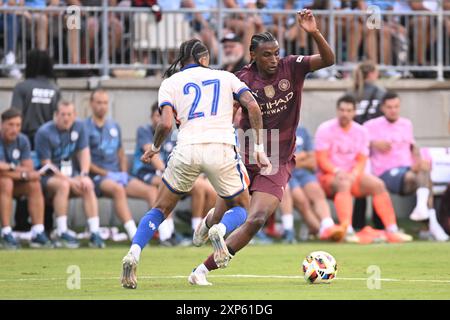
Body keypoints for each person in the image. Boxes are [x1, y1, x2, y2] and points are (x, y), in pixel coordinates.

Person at [189, 9, 336, 285]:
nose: (273, 59)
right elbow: (228, 111)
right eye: (267, 54)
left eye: (276, 53)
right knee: (226, 209)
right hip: (245, 152)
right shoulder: (241, 78)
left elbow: (329, 60)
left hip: (278, 160)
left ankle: (202, 270)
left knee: (255, 218)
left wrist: (314, 32)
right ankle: (210, 224)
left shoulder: (292, 67)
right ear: (253, 55)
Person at [120, 38, 269, 289]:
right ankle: (219, 230)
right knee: (243, 208)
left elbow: (166, 124)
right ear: (203, 59)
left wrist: (154, 148)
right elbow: (252, 106)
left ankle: (134, 252)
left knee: (160, 208)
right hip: (220, 148)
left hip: (187, 149)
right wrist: (259, 148)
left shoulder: (169, 83)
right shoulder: (226, 76)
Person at [314, 94, 412, 244]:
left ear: (354, 112)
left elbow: (362, 159)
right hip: (330, 177)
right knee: (344, 182)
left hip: (353, 176)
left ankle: (392, 229)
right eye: (342, 110)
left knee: (378, 184)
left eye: (348, 110)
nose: (345, 114)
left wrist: (355, 173)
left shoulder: (361, 131)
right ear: (337, 110)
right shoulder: (325, 129)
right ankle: (348, 230)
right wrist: (337, 171)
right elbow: (321, 159)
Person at [364, 91, 449, 241]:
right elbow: (358, 145)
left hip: (409, 171)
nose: (393, 110)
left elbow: (413, 147)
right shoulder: (371, 126)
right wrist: (373, 143)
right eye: (389, 107)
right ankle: (431, 221)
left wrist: (419, 160)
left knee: (423, 169)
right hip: (385, 173)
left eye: (396, 106)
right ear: (383, 108)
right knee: (421, 176)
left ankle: (425, 212)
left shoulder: (406, 124)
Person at [132, 103, 216, 245]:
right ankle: (167, 234)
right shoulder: (144, 130)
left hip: (171, 173)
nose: (161, 119)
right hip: (147, 172)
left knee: (202, 187)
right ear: (151, 117)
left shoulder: (175, 134)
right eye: (157, 116)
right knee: (163, 185)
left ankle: (196, 230)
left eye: (163, 116)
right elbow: (153, 157)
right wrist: (171, 175)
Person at [86, 89, 159, 241]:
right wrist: (106, 174)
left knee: (151, 191)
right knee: (118, 189)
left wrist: (123, 172)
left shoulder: (114, 126)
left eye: (105, 103)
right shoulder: (84, 127)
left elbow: (120, 152)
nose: (102, 106)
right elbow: (83, 159)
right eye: (99, 102)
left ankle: (164, 234)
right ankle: (134, 234)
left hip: (118, 175)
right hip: (98, 177)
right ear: (91, 104)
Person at [34, 100, 105, 248]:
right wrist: (71, 180)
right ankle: (62, 230)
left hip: (70, 175)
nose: (66, 118)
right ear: (56, 115)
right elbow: (47, 165)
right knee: (64, 185)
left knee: (88, 185)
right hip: (47, 177)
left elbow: (84, 152)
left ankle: (94, 232)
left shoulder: (79, 127)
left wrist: (84, 175)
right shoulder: (44, 132)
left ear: (75, 115)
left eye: (69, 114)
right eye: (62, 114)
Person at [10, 49, 61, 233]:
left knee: (27, 179)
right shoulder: (54, 89)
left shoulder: (22, 87)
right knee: (46, 180)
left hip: (26, 140)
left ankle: (22, 224)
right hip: (49, 141)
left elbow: (15, 114)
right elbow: (58, 118)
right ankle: (46, 224)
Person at [279, 126, 344, 243]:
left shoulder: (302, 131)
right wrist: (302, 156)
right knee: (301, 200)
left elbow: (313, 162)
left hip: (303, 173)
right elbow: (280, 162)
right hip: (285, 174)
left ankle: (328, 225)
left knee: (316, 191)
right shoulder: (276, 129)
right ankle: (319, 231)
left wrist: (293, 160)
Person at [0, 109, 51, 249]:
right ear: (2, 124)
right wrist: (20, 172)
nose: (14, 129)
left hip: (13, 183)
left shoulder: (22, 140)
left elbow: (29, 169)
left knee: (34, 183)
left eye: (18, 125)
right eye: (11, 124)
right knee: (5, 182)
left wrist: (9, 168)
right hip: (4, 184)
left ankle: (38, 231)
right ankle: (5, 231)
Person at [348, 60, 386, 231]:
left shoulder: (352, 92)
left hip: (354, 145)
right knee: (377, 185)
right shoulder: (380, 92)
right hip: (375, 146)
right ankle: (381, 224)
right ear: (372, 73)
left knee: (360, 185)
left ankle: (358, 224)